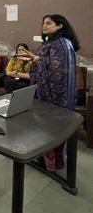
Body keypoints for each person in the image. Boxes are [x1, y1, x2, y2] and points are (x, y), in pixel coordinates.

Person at [18, 14, 80, 171]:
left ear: (60, 25)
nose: (44, 26)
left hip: (57, 97)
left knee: (53, 129)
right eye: (43, 23)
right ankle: (46, 158)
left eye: (48, 23)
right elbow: (46, 62)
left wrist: (35, 59)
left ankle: (53, 162)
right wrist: (34, 58)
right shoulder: (53, 42)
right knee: (44, 129)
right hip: (46, 93)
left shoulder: (62, 44)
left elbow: (56, 70)